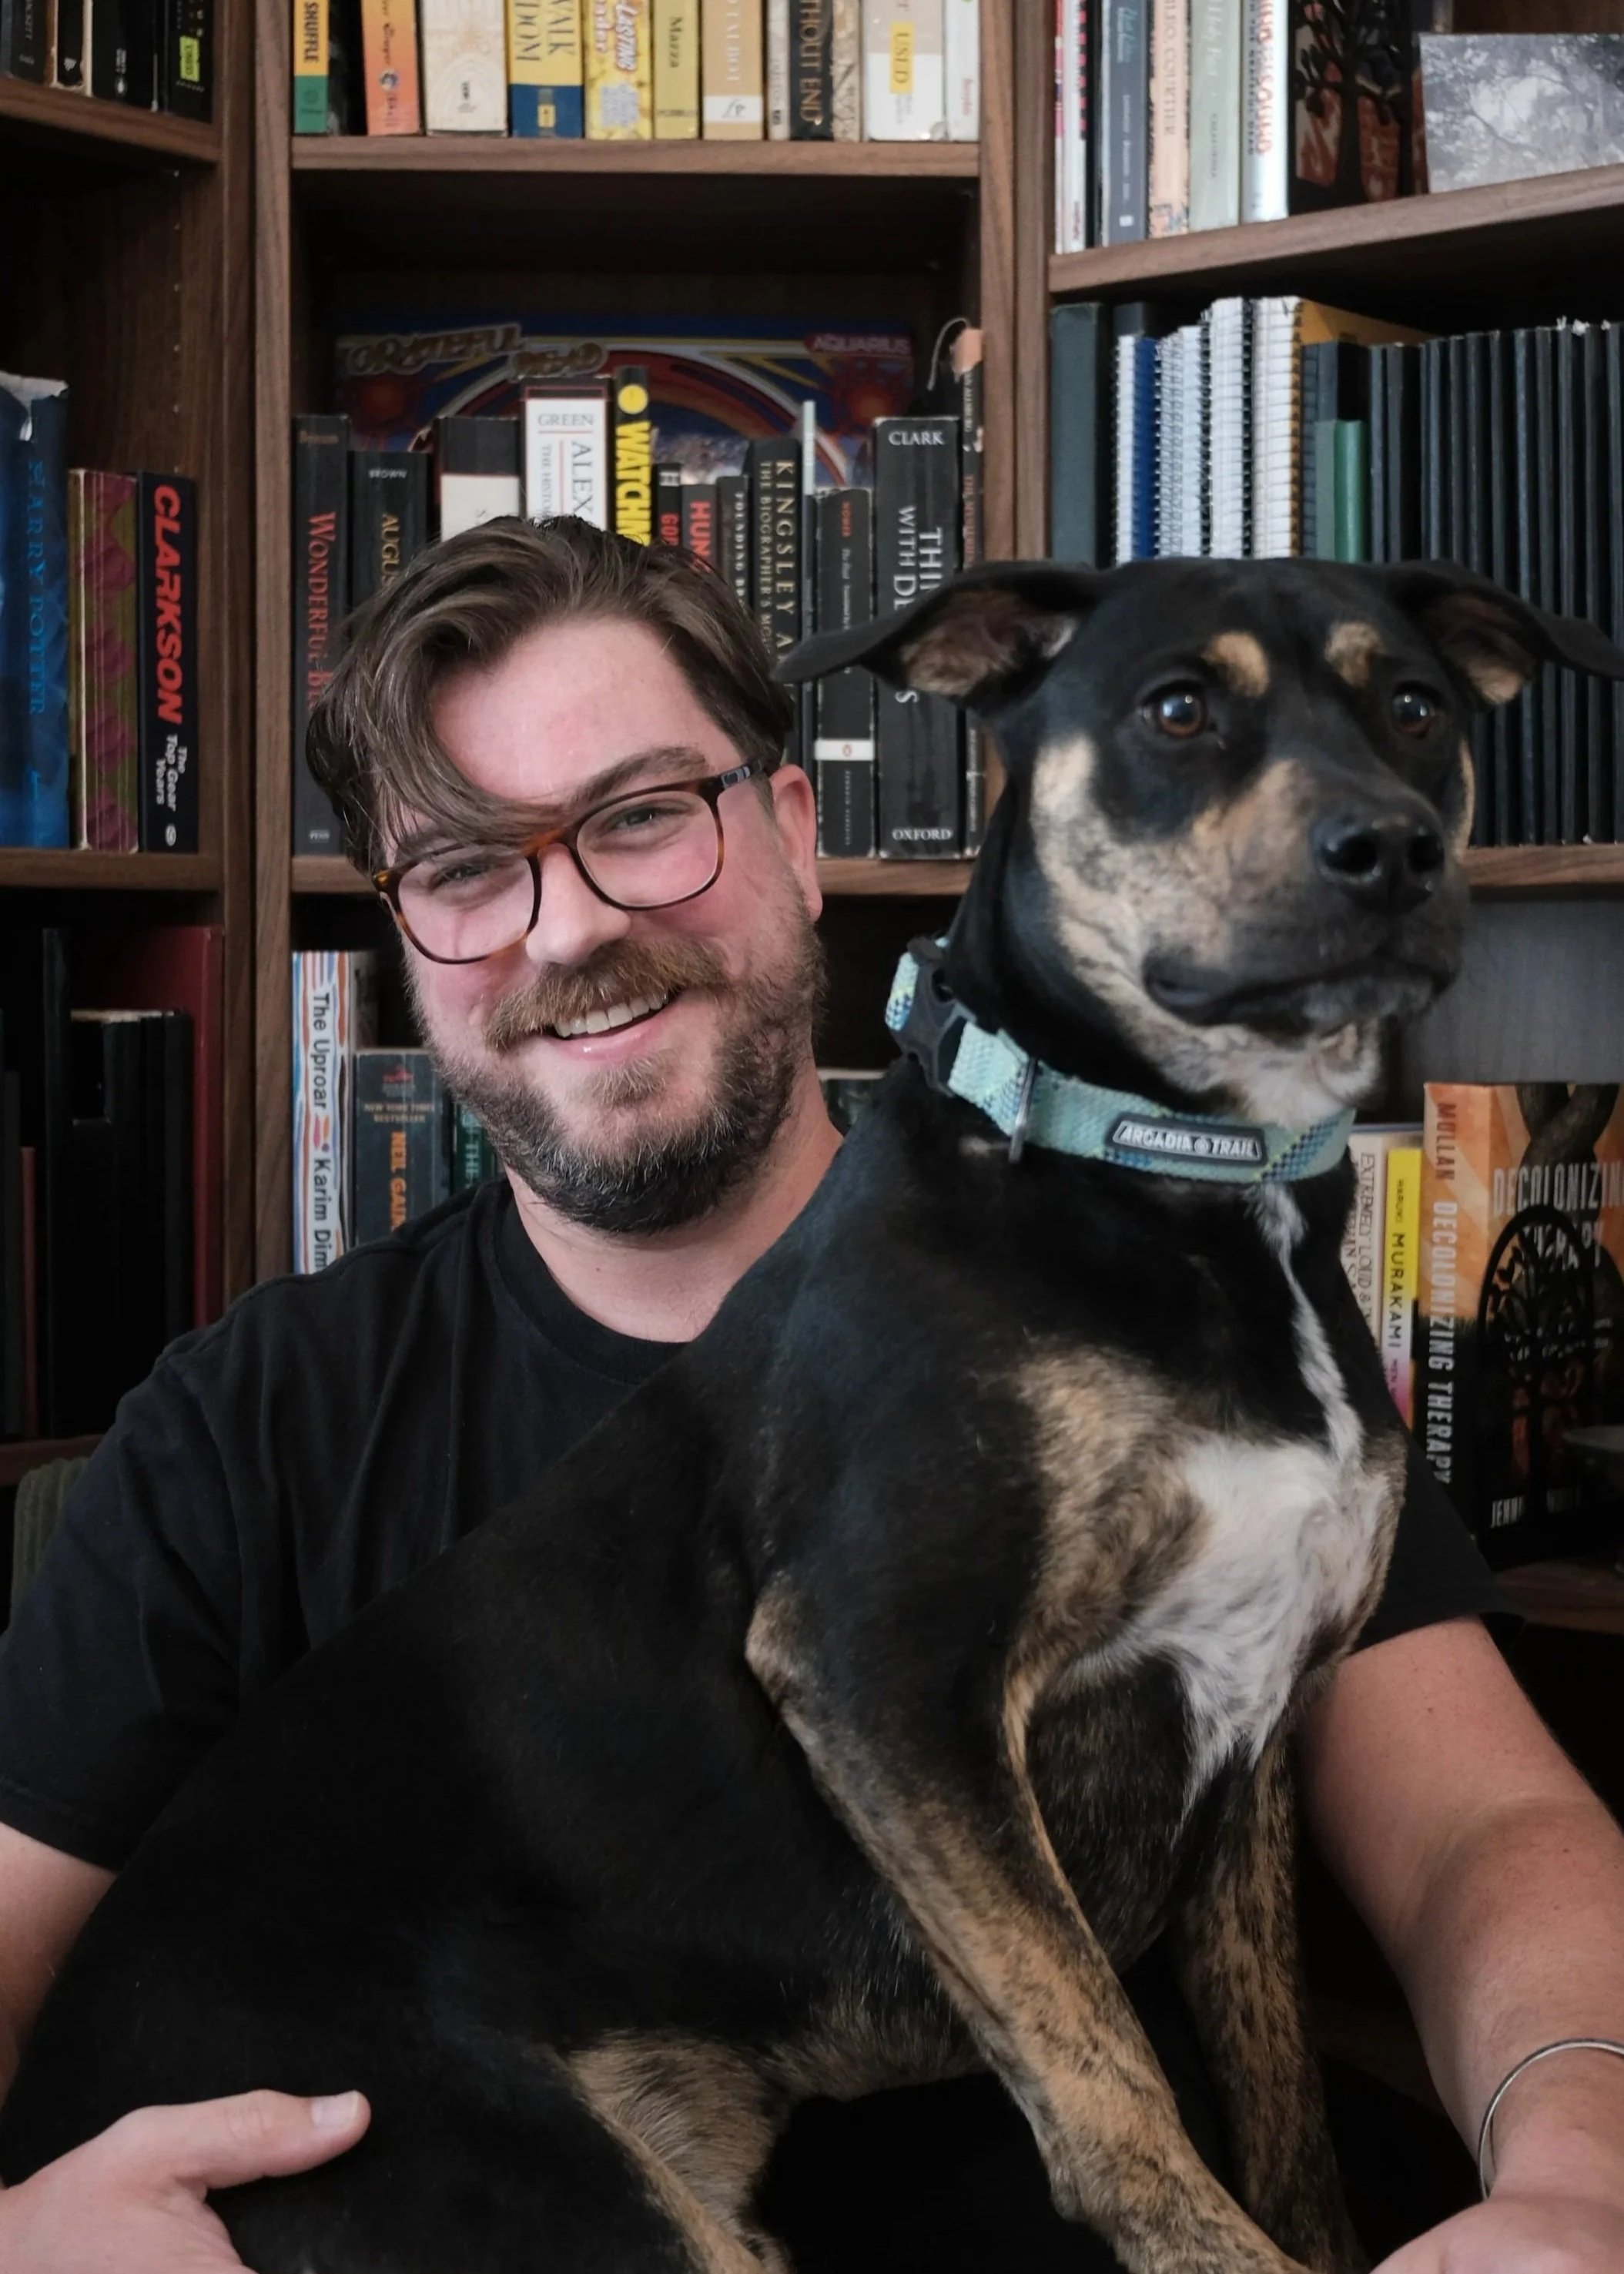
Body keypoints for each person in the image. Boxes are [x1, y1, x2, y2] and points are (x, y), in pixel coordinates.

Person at [0, 517, 1622, 2274]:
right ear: (401, 936)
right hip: (455, 2153)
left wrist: (1577, 2164)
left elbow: (1489, 1829)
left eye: (638, 816)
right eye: (466, 868)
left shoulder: (1228, 1304)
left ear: (792, 832)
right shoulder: (251, 1424)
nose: (569, 929)